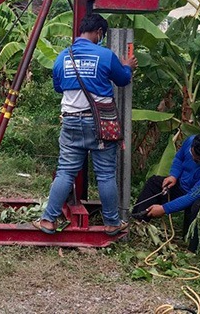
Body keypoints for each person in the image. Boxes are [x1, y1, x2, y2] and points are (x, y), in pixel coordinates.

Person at [34, 13, 138, 236]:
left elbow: (58, 87)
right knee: (106, 174)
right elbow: (123, 79)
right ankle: (112, 223)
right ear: (99, 33)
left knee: (65, 172)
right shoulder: (105, 55)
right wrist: (127, 66)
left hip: (71, 121)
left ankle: (48, 220)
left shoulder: (62, 57)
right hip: (100, 125)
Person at [132, 133, 200, 252]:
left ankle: (196, 250)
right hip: (185, 186)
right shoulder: (191, 141)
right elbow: (179, 158)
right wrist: (174, 175)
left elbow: (191, 197)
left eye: (198, 160)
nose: (193, 159)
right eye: (193, 155)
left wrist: (164, 209)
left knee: (199, 206)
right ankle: (138, 222)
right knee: (154, 182)